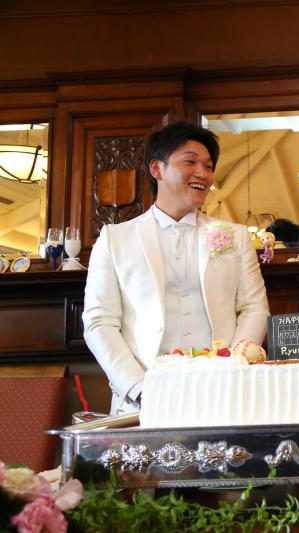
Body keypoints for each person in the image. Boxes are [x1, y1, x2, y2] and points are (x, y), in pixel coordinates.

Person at [83, 122, 270, 415]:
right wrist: (139, 388)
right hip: (144, 397)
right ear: (157, 169)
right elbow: (99, 322)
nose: (203, 174)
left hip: (222, 394)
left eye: (208, 166)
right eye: (190, 162)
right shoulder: (114, 239)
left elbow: (254, 308)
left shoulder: (236, 237)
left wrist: (233, 368)